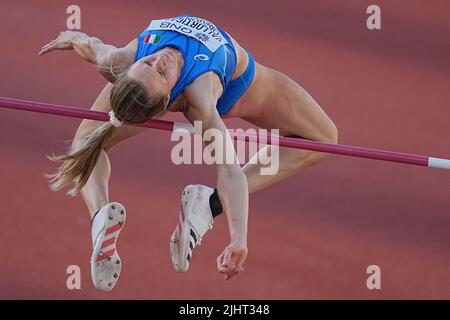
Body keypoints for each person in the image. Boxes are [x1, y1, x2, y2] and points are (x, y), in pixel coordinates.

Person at [39, 15, 338, 291]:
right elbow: (229, 170)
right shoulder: (199, 96)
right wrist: (239, 238)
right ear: (168, 98)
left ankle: (122, 213)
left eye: (149, 63)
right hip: (241, 88)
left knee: (84, 141)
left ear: (129, 69)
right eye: (161, 72)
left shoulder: (120, 61)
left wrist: (71, 36)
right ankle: (193, 206)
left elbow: (91, 46)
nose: (160, 59)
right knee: (323, 137)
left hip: (154, 83)